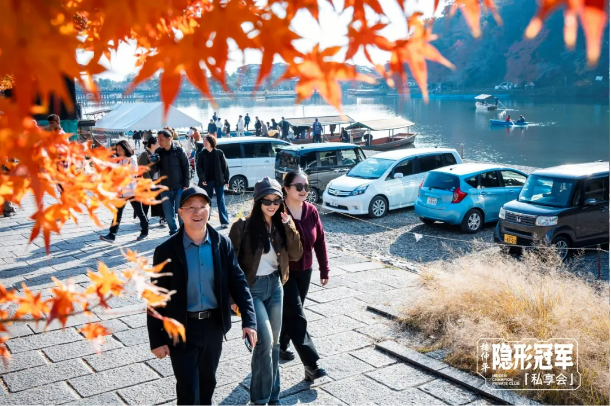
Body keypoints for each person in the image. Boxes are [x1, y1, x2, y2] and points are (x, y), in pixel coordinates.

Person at [147, 186, 257, 406]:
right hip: (181, 327)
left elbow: (238, 283)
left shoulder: (222, 244)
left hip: (213, 325)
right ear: (180, 212)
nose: (197, 212)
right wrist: (156, 340)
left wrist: (249, 320)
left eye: (202, 206)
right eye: (191, 207)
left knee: (208, 384)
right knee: (188, 389)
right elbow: (156, 297)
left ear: (210, 210)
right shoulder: (166, 250)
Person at [228, 177, 303, 405]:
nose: (272, 205)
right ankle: (260, 400)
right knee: (265, 341)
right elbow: (229, 265)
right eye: (266, 200)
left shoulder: (282, 224)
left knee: (274, 344)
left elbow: (296, 254)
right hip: (252, 289)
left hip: (276, 286)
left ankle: (273, 397)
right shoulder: (241, 226)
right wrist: (232, 298)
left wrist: (290, 226)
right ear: (258, 201)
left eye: (276, 200)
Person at [278, 170, 329, 381]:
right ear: (286, 189)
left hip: (305, 271)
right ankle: (311, 364)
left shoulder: (311, 211)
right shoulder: (277, 211)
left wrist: (324, 269)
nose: (304, 190)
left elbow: (320, 241)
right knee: (297, 315)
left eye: (306, 186)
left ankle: (281, 344)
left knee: (292, 312)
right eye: (299, 186)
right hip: (284, 273)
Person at [100, 140, 149, 242]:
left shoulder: (132, 159)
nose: (118, 151)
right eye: (117, 150)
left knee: (139, 212)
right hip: (121, 191)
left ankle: (144, 231)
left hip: (132, 191)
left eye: (120, 149)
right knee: (117, 213)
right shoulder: (118, 160)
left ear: (126, 149)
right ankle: (112, 234)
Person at [151, 129, 190, 236]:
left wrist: (186, 185)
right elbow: (155, 170)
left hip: (179, 187)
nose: (159, 142)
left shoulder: (179, 151)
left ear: (169, 139)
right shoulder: (159, 152)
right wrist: (153, 162)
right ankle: (173, 232)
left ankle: (183, 232)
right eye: (158, 139)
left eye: (161, 139)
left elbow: (186, 167)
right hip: (165, 187)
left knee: (181, 211)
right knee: (168, 213)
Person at [196, 135, 230, 228]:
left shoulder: (219, 153)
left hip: (219, 181)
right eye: (204, 141)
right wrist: (202, 179)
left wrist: (226, 179)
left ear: (211, 142)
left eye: (206, 141)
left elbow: (225, 167)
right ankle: (206, 220)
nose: (204, 143)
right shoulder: (201, 154)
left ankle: (224, 221)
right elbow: (199, 168)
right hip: (207, 181)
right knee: (207, 201)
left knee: (221, 201)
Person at [138, 136, 167, 227]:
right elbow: (143, 169)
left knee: (159, 200)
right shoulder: (145, 154)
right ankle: (144, 218)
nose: (159, 143)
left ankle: (162, 218)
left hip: (158, 181)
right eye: (157, 142)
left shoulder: (159, 153)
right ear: (152, 144)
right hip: (148, 182)